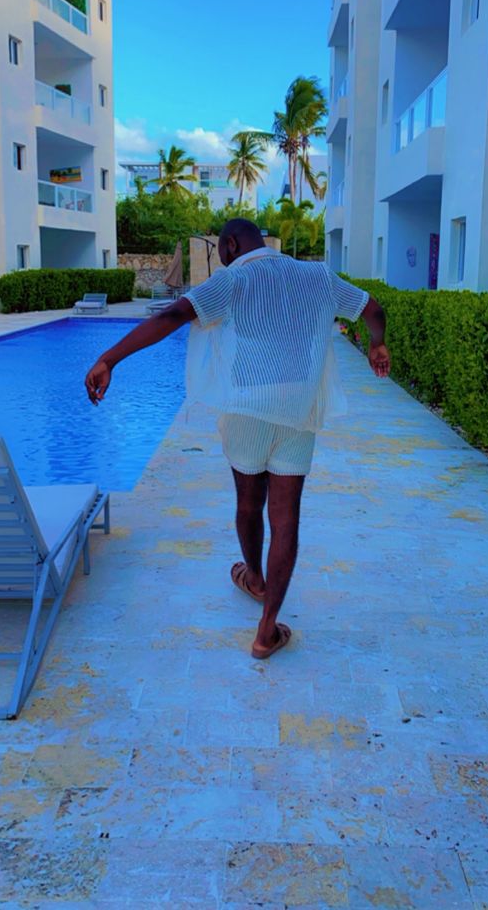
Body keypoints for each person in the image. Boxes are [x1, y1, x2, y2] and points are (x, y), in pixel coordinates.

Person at [85, 219, 390, 660]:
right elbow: (372, 310)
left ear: (230, 244)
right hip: (299, 406)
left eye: (220, 252)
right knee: (286, 518)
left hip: (247, 406)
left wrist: (109, 359)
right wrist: (377, 344)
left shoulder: (232, 280)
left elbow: (171, 316)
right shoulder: (318, 275)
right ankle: (267, 631)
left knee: (249, 503)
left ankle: (255, 577)